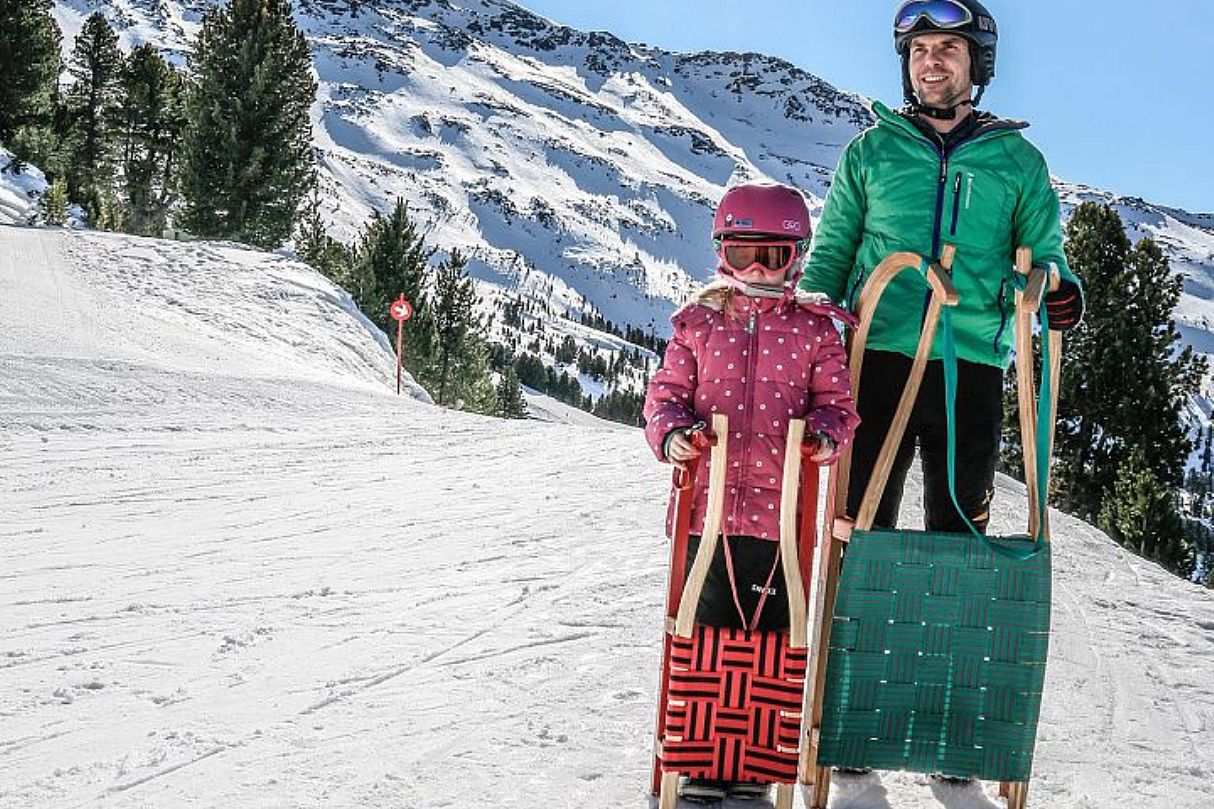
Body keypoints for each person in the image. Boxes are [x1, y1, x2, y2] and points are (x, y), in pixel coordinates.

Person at [800, 0, 1085, 535]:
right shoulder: (871, 152)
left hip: (971, 360)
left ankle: (952, 619)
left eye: (949, 49)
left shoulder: (1018, 162)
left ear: (977, 64)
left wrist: (1056, 290)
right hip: (876, 355)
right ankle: (856, 616)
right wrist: (811, 324)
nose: (932, 61)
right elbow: (833, 252)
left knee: (959, 528)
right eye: (919, 51)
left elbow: (1045, 254)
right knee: (860, 521)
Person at [643, 181, 860, 803]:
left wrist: (822, 435)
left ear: (797, 255)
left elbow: (838, 406)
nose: (759, 269)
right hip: (705, 514)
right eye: (744, 255)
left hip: (779, 522)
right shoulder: (700, 323)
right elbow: (664, 398)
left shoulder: (815, 331)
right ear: (722, 253)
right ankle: (700, 766)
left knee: (769, 642)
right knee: (703, 639)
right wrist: (672, 436)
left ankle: (754, 770)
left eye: (773, 254)